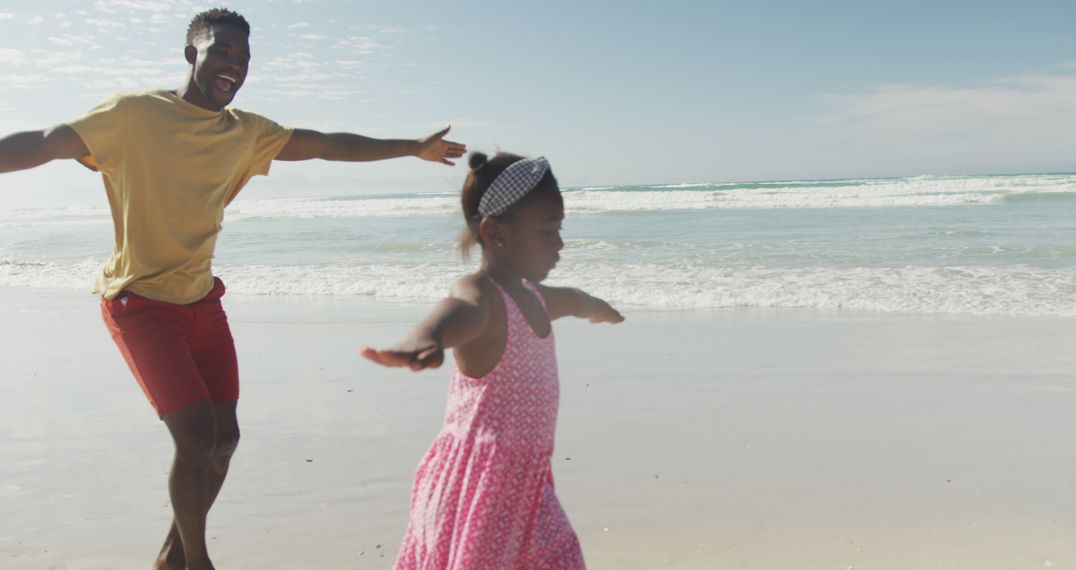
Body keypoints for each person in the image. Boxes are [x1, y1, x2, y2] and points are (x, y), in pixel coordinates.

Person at [0, 8, 465, 570]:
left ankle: (173, 558)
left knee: (224, 438)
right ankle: (198, 564)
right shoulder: (134, 114)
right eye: (221, 51)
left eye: (243, 58)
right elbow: (47, 142)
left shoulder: (244, 132)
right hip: (139, 304)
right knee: (196, 439)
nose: (233, 66)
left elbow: (325, 144)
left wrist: (411, 147)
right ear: (191, 53)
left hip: (201, 302)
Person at [362, 151, 624, 569]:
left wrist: (600, 308)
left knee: (561, 558)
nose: (559, 243)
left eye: (560, 228)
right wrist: (425, 339)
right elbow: (456, 310)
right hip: (481, 491)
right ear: (496, 234)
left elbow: (575, 299)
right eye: (547, 231)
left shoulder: (534, 297)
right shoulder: (485, 295)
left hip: (527, 487)